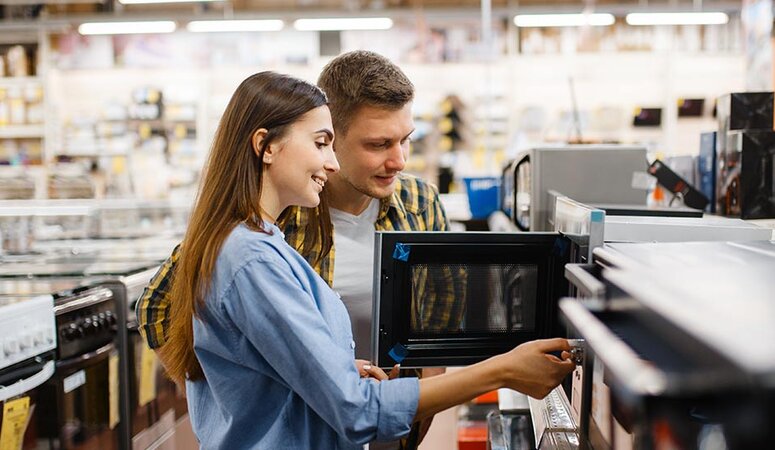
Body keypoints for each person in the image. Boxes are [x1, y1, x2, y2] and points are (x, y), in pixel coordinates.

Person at [161, 70, 575, 450]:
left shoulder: (264, 241)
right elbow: (353, 408)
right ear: (265, 147)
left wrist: (331, 373)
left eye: (405, 139)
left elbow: (433, 328)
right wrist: (502, 370)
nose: (332, 161)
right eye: (322, 143)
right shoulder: (252, 256)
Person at [138, 50, 462, 448]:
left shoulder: (419, 204)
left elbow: (439, 320)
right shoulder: (269, 227)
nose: (399, 160)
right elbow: (157, 309)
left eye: (406, 140)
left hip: (390, 428)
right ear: (332, 136)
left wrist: (418, 416)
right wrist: (251, 389)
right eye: (378, 144)